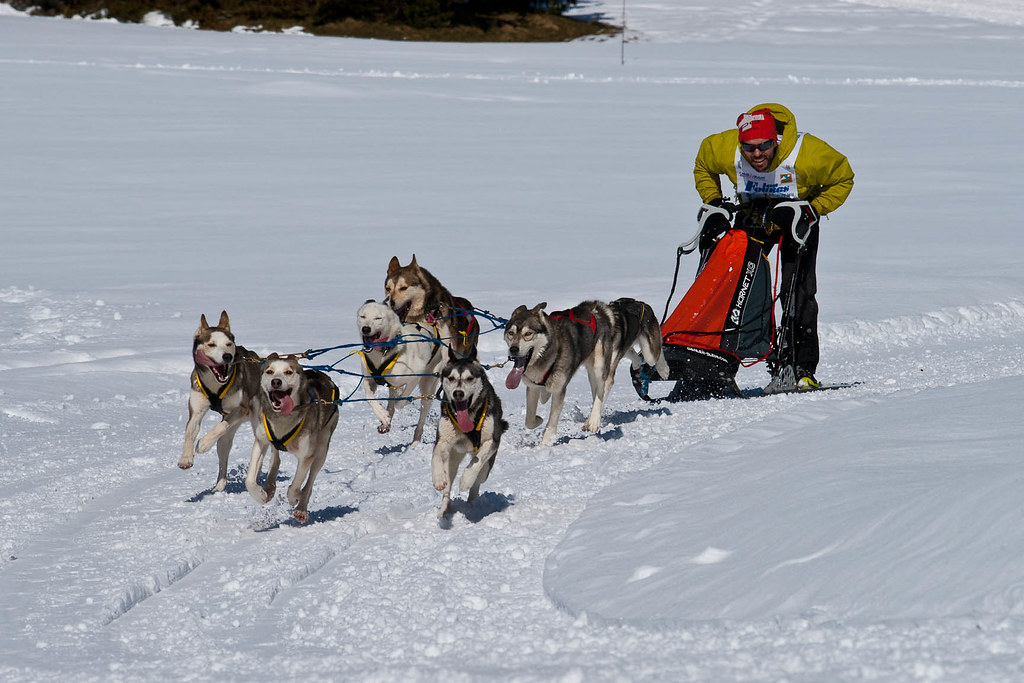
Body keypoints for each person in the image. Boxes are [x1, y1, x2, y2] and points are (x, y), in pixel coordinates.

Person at [692, 103, 854, 390]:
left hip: (796, 215)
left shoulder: (809, 153)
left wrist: (814, 210)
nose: (756, 154)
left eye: (764, 146)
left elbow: (843, 178)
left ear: (775, 141)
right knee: (729, 284)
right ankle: (712, 368)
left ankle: (798, 367)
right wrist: (715, 203)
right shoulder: (724, 147)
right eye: (749, 148)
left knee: (798, 291)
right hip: (753, 212)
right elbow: (703, 165)